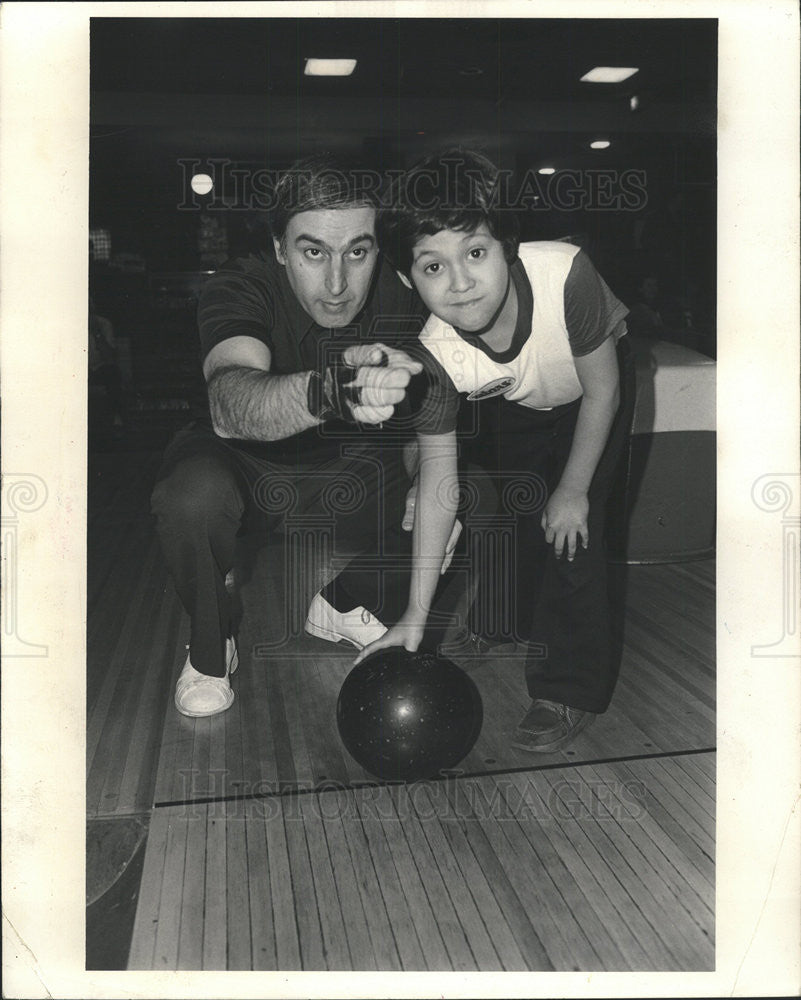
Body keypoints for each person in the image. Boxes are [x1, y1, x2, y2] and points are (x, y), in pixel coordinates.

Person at [151, 155, 461, 718]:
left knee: (470, 492)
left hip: (352, 472)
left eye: (357, 252)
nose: (338, 283)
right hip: (244, 465)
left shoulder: (407, 293)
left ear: (378, 250)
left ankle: (347, 601)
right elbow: (229, 401)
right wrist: (331, 391)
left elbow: (431, 410)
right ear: (278, 248)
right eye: (313, 252)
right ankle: (209, 648)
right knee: (190, 497)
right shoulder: (240, 287)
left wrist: (419, 478)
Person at [363, 148, 635, 752]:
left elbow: (604, 392)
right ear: (409, 279)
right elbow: (441, 483)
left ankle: (567, 689)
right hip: (523, 399)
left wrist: (572, 490)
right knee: (513, 507)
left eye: (476, 254)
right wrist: (416, 612)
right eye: (432, 268)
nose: (459, 283)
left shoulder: (566, 273)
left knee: (570, 529)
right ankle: (504, 623)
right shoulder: (436, 356)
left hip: (599, 393)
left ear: (508, 248)